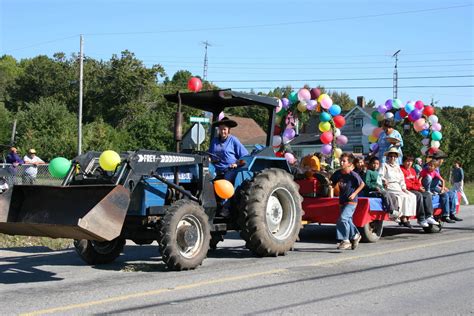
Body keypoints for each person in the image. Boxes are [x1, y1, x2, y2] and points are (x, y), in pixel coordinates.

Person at [209, 117, 248, 217]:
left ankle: (225, 208)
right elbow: (210, 154)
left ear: (228, 130)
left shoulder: (233, 140)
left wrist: (237, 163)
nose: (222, 131)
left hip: (230, 169)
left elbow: (245, 156)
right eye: (221, 129)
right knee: (205, 178)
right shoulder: (214, 141)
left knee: (226, 180)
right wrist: (209, 159)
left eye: (224, 129)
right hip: (216, 168)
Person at [329, 153, 365, 250]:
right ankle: (355, 235)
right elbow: (332, 182)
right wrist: (330, 185)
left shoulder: (353, 174)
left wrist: (354, 194)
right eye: (341, 160)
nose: (341, 162)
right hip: (342, 200)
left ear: (349, 163)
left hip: (352, 201)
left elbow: (362, 184)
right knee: (348, 220)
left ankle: (345, 240)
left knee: (343, 219)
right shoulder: (338, 173)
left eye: (344, 161)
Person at [380, 147, 417, 228]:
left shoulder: (397, 167)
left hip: (398, 186)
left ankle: (407, 216)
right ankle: (402, 218)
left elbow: (401, 179)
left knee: (412, 196)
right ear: (388, 157)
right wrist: (384, 180)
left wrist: (403, 187)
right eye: (391, 156)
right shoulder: (384, 165)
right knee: (401, 197)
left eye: (394, 156)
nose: (392, 158)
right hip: (390, 186)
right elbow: (380, 176)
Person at [400, 155, 439, 228]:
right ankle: (421, 219)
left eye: (411, 161)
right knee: (419, 195)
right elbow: (405, 183)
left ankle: (428, 216)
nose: (409, 163)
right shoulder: (401, 169)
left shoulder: (412, 170)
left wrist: (420, 186)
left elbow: (416, 181)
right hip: (407, 189)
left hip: (415, 188)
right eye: (407, 161)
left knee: (427, 194)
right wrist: (418, 188)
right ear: (403, 162)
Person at [362, 156, 399, 220]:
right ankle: (391, 210)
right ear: (370, 164)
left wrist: (383, 185)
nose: (375, 165)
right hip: (371, 191)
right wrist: (374, 187)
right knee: (385, 194)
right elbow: (367, 183)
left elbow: (379, 183)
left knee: (393, 195)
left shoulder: (377, 173)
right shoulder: (369, 172)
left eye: (377, 164)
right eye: (374, 163)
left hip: (379, 190)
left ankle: (395, 212)